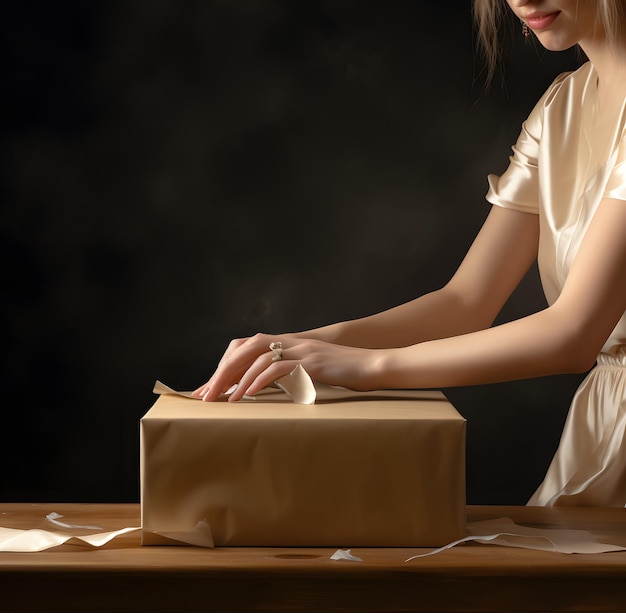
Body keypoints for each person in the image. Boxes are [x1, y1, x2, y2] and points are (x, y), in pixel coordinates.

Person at [194, 0, 626, 511]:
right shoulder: (561, 108)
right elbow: (466, 301)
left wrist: (369, 366)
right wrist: (296, 346)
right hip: (603, 429)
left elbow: (573, 335)